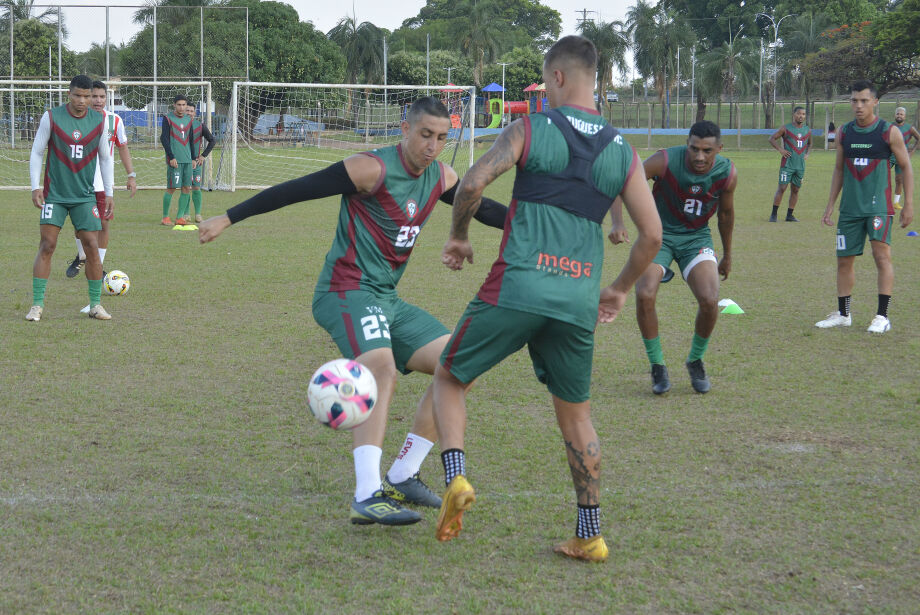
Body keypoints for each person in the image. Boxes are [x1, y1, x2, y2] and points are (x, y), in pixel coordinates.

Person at [198, 97, 508, 526]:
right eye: (425, 135)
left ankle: (403, 473)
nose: (433, 146)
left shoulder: (441, 176)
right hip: (344, 291)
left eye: (441, 137)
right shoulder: (370, 169)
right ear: (405, 129)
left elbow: (484, 208)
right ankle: (367, 493)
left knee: (459, 365)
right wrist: (228, 218)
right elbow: (296, 190)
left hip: (387, 299)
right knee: (381, 370)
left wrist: (539, 231)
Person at [431, 35, 662, 562]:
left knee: (449, 375)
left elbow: (471, 182)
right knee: (577, 417)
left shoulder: (531, 127)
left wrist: (459, 235)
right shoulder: (622, 150)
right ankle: (590, 533)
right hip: (578, 300)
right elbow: (651, 236)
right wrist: (619, 289)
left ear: (556, 78)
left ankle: (456, 477)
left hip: (518, 285)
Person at [609, 121, 736, 396]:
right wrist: (617, 222)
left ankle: (696, 360)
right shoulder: (665, 161)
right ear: (687, 144)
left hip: (697, 239)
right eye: (694, 149)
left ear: (719, 149)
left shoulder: (727, 172)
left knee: (710, 300)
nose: (699, 156)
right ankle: (657, 365)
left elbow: (725, 215)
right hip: (658, 236)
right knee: (645, 293)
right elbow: (623, 182)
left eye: (707, 151)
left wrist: (727, 254)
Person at [817, 80, 914, 333]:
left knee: (882, 256)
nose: (858, 106)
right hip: (850, 209)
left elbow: (906, 167)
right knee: (844, 261)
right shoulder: (845, 132)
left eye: (863, 101)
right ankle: (843, 313)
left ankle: (882, 317)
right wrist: (830, 205)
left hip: (878, 207)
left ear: (875, 102)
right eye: (854, 101)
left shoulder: (888, 131)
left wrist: (908, 205)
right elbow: (839, 170)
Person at [26, 74, 115, 322]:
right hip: (54, 194)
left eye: (87, 96)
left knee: (92, 248)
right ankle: (37, 305)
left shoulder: (100, 120)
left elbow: (106, 158)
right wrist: (36, 187)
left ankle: (95, 305)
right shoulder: (52, 117)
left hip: (85, 196)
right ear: (69, 94)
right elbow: (36, 152)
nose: (83, 100)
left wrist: (108, 192)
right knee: (47, 245)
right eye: (78, 95)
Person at [66, 80, 138, 294]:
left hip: (103, 182)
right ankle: (82, 256)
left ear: (106, 99)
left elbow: (123, 148)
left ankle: (98, 265)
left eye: (100, 97)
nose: (97, 101)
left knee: (104, 224)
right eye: (93, 96)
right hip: (80, 180)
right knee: (81, 226)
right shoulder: (78, 120)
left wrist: (131, 175)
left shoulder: (114, 121)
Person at [768, 106, 810, 222]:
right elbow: (771, 138)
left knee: (795, 190)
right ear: (794, 115)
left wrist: (807, 153)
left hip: (800, 166)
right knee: (782, 188)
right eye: (799, 114)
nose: (801, 116)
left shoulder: (807, 130)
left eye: (803, 114)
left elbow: (810, 144)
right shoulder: (785, 128)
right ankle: (773, 214)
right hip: (787, 165)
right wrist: (780, 150)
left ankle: (789, 215)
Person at [160, 94, 194, 226]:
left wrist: (193, 158)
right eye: (179, 105)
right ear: (174, 105)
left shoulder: (189, 119)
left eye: (184, 105)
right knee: (172, 188)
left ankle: (180, 217)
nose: (181, 107)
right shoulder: (168, 118)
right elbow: (164, 138)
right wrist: (171, 156)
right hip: (175, 160)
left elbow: (190, 140)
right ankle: (165, 217)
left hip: (187, 160)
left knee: (186, 188)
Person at [188, 104, 215, 223]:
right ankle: (185, 214)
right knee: (185, 189)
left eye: (191, 111)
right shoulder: (178, 126)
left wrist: (203, 156)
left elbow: (213, 140)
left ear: (195, 113)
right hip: (183, 163)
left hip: (196, 163)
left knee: (196, 188)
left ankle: (198, 214)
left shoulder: (199, 126)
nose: (189, 113)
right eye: (187, 110)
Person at [890, 106, 920, 211]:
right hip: (888, 156)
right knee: (882, 177)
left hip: (901, 157)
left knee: (899, 180)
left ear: (905, 116)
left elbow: (919, 138)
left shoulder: (909, 128)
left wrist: (912, 151)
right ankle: (879, 199)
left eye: (901, 114)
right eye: (898, 114)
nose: (899, 115)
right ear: (895, 115)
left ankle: (896, 203)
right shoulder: (889, 126)